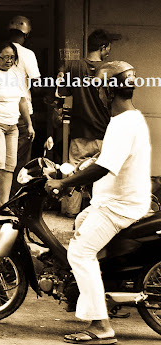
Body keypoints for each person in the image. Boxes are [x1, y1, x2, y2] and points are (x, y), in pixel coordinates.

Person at [46, 61, 151, 345]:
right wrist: (81, 168)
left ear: (107, 91)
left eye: (100, 89)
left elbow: (105, 167)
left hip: (119, 206)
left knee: (79, 253)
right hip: (117, 200)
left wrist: (63, 183)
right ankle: (98, 296)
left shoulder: (122, 124)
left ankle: (101, 325)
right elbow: (107, 159)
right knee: (80, 223)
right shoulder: (129, 119)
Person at [56, 29, 114, 217]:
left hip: (80, 132)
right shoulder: (110, 70)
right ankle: (102, 214)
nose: (108, 53)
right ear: (102, 47)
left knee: (74, 173)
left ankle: (70, 212)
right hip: (105, 133)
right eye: (108, 49)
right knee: (103, 175)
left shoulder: (72, 67)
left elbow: (63, 93)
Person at [0, 40, 35, 205]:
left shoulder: (15, 74)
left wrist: (29, 124)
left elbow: (22, 101)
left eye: (12, 57)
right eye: (5, 57)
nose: (9, 61)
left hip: (12, 125)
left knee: (9, 165)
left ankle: (4, 204)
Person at [7, 15, 41, 177]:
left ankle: (0, 198)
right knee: (20, 160)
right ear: (26, 35)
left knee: (2, 158)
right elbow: (36, 83)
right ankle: (14, 201)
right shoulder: (27, 54)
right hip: (22, 113)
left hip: (0, 111)